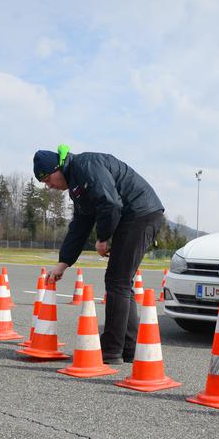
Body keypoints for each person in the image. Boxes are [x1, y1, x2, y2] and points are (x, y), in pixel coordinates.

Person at [35, 145, 165, 364]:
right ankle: (128, 348)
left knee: (117, 282)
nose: (49, 186)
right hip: (137, 215)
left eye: (48, 179)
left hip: (140, 214)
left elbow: (110, 203)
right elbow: (80, 225)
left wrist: (103, 237)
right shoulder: (76, 183)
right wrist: (63, 262)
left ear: (58, 167)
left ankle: (110, 350)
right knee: (121, 282)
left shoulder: (85, 166)